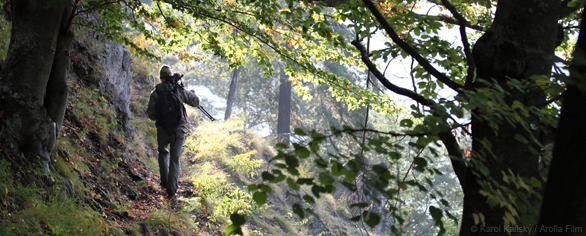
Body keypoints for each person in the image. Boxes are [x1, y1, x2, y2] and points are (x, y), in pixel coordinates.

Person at [147, 65, 200, 199]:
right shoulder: (178, 90)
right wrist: (192, 92)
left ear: (160, 78)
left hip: (162, 129)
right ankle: (171, 190)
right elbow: (196, 102)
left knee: (163, 153)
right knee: (175, 159)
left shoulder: (156, 93)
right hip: (178, 130)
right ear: (171, 76)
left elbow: (151, 115)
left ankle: (164, 182)